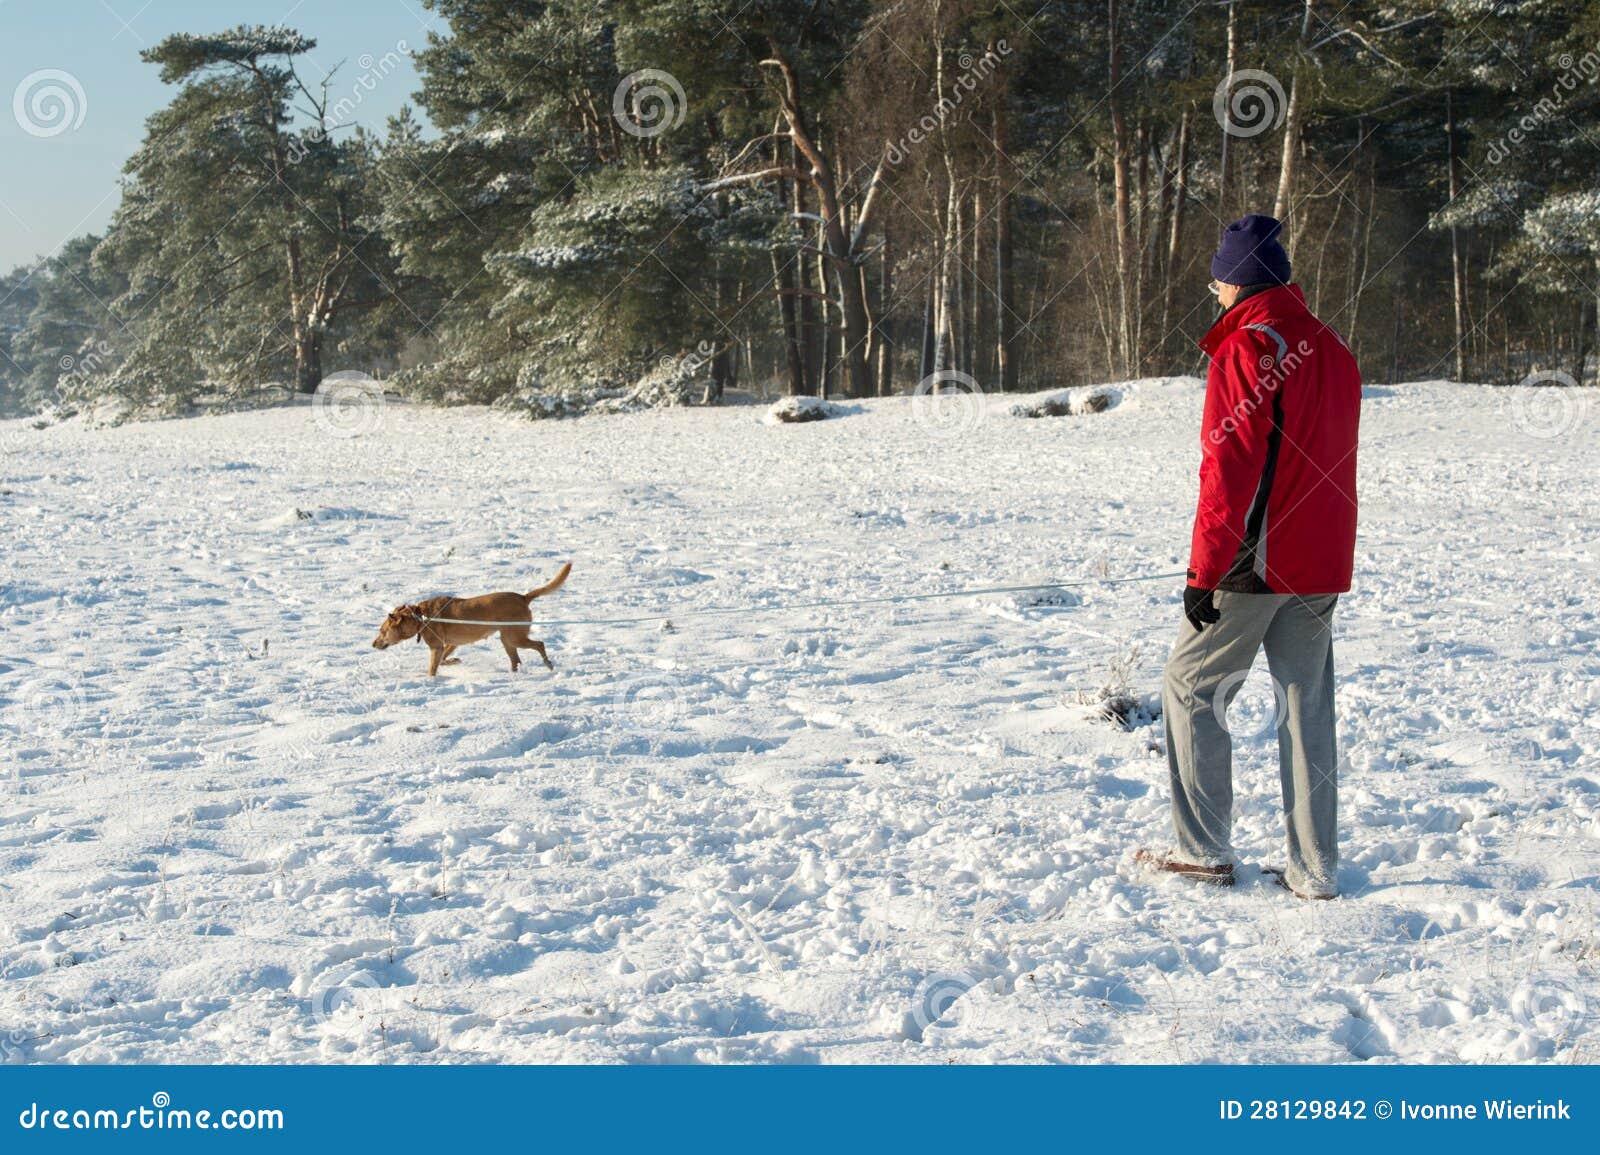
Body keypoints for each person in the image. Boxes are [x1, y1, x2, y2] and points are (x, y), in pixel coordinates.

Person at [1137, 214, 1362, 900]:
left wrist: (1203, 571)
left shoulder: (1249, 347)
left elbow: (1228, 470)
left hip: (1253, 559)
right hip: (1319, 558)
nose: (1214, 288)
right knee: (1306, 704)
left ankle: (1203, 848)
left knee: (1190, 684)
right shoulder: (1333, 347)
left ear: (1240, 278)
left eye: (1219, 276)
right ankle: (1314, 867)